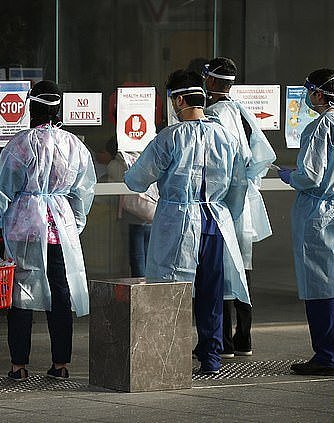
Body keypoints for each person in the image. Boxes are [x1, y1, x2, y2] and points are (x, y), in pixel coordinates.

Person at [124, 70, 249, 375]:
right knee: (211, 291)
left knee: (170, 289)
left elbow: (136, 180)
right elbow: (238, 185)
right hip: (214, 221)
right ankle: (211, 357)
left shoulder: (169, 138)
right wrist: (225, 215)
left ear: (178, 99)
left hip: (177, 221)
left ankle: (168, 355)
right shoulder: (226, 136)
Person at [0, 80, 96, 381]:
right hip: (60, 231)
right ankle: (61, 364)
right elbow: (83, 192)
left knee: (20, 296)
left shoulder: (21, 143)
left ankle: (18, 365)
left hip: (24, 231)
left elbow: (3, 189)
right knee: (60, 296)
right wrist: (74, 224)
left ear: (32, 108)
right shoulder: (75, 146)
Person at [278, 69, 334, 376]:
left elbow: (311, 175)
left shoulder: (319, 127)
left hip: (320, 213)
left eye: (308, 92)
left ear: (318, 94)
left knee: (322, 286)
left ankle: (326, 356)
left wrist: (291, 176)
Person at [203, 57, 276, 358]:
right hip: (244, 202)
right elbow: (262, 155)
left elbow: (213, 163)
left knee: (222, 270)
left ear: (209, 81)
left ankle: (224, 342)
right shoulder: (243, 112)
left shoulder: (212, 115)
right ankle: (243, 337)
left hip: (222, 203)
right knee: (243, 270)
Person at [105, 137, 157, 277]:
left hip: (132, 216)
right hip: (150, 211)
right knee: (148, 254)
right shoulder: (149, 158)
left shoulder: (118, 163)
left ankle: (140, 287)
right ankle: (149, 285)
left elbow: (112, 185)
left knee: (137, 256)